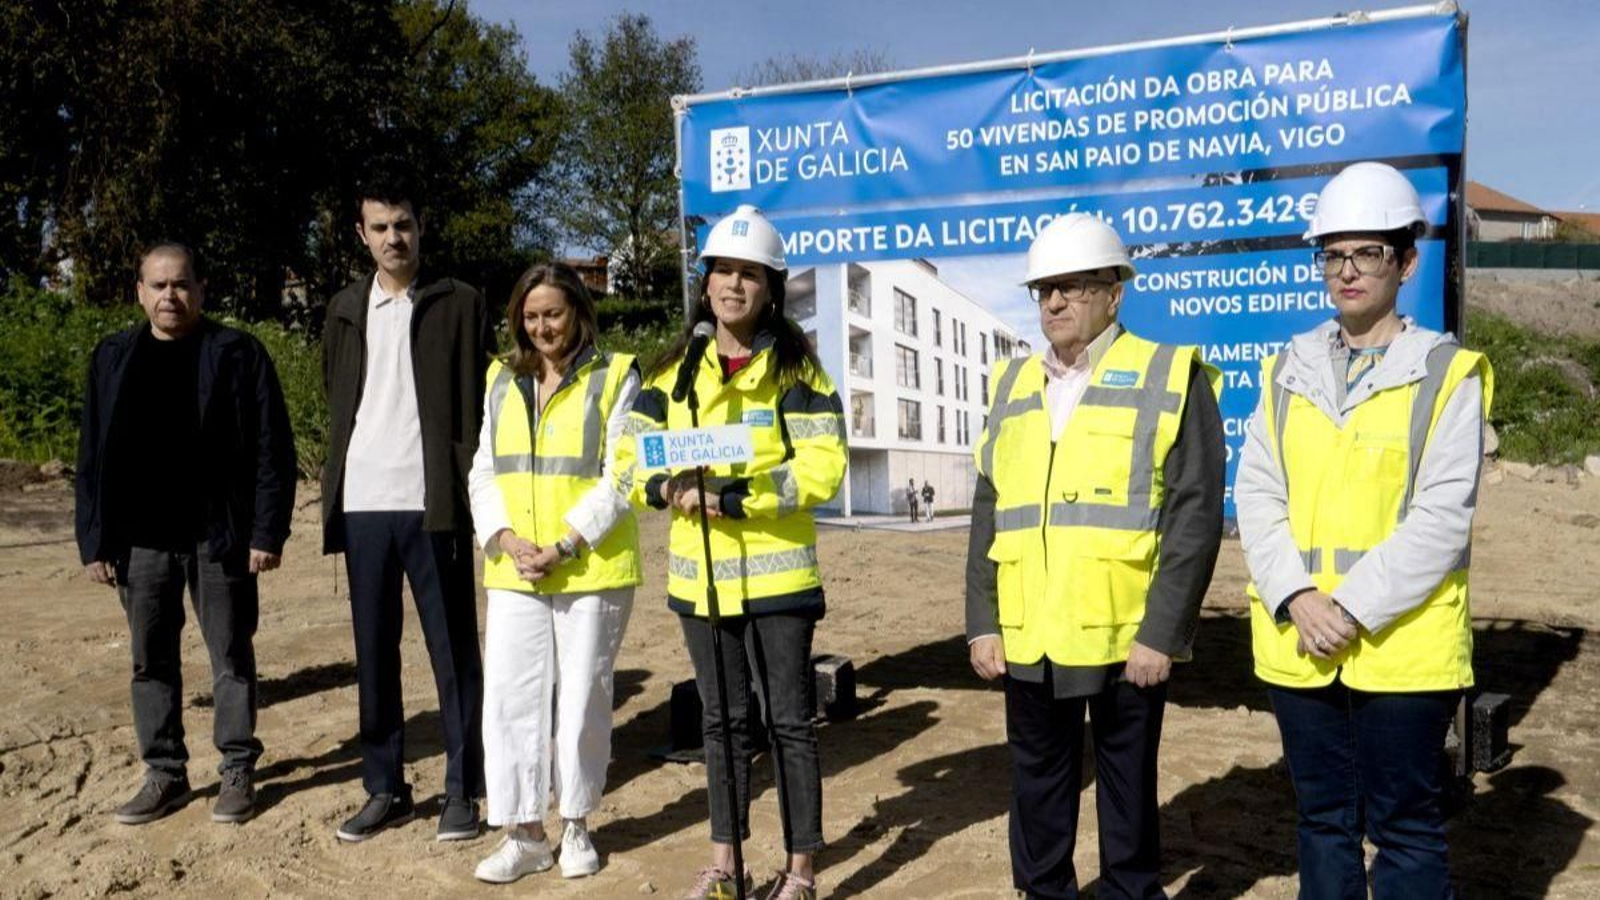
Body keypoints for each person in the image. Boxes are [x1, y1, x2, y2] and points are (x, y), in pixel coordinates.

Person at [1235, 161, 1493, 899]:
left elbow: (1440, 519)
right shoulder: (1288, 369)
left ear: (1407, 261)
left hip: (1400, 647)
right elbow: (1258, 493)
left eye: (1369, 253)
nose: (1348, 271)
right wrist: (1296, 597)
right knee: (1322, 822)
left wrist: (1349, 607)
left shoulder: (1448, 373)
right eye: (1333, 254)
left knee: (1406, 828)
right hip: (1303, 639)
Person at [966, 213, 1225, 899]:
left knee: (1126, 794)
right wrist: (983, 620)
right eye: (1043, 289)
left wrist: (1162, 632)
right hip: (1031, 632)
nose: (1053, 302)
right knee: (1037, 791)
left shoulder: (1171, 375)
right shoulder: (1012, 384)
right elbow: (991, 508)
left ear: (1115, 292)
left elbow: (1193, 515)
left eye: (1072, 287)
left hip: (1123, 634)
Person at [615, 205, 847, 900]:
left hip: (779, 585)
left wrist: (737, 497)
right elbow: (628, 461)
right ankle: (725, 865)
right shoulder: (667, 375)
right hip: (703, 582)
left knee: (788, 725)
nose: (734, 285)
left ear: (771, 286)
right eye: (722, 271)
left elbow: (824, 466)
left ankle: (799, 871)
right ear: (705, 281)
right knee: (720, 724)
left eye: (750, 273)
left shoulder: (799, 372)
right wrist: (665, 487)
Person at [76, 242, 296, 826]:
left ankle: (236, 768)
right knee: (150, 661)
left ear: (200, 289)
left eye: (180, 285)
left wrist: (266, 530)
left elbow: (274, 447)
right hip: (140, 540)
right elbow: (92, 453)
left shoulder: (237, 353)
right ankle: (165, 773)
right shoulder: (113, 357)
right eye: (158, 285)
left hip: (217, 535)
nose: (169, 296)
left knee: (230, 655)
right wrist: (93, 539)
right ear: (140, 292)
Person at [321, 176, 495, 843]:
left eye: (404, 224)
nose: (394, 237)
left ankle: (463, 790)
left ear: (421, 227)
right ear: (361, 235)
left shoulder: (460, 303)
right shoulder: (342, 308)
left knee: (453, 653)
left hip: (434, 503)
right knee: (374, 655)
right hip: (364, 504)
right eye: (380, 226)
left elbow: (482, 397)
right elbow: (339, 396)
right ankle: (384, 787)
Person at [466, 263, 641, 883]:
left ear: (578, 313)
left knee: (582, 703)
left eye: (553, 314)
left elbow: (624, 473)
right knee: (510, 703)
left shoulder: (618, 374)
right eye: (530, 316)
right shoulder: (499, 379)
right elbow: (484, 469)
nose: (542, 327)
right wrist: (506, 539)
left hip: (587, 567)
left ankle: (576, 824)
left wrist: (564, 545)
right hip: (517, 570)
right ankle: (523, 834)